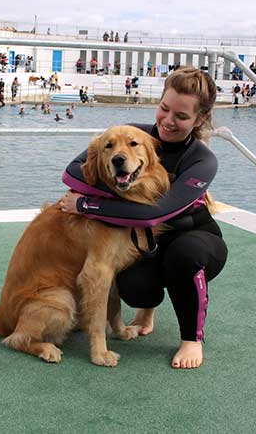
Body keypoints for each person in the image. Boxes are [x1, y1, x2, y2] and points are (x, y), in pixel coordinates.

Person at [59, 67, 228, 369]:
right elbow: (72, 171)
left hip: (195, 238)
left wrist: (86, 206)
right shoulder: (134, 136)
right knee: (136, 287)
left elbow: (156, 214)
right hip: (148, 242)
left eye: (182, 116)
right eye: (164, 108)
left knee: (183, 254)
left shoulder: (203, 160)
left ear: (200, 119)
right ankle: (145, 311)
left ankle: (192, 339)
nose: (168, 121)